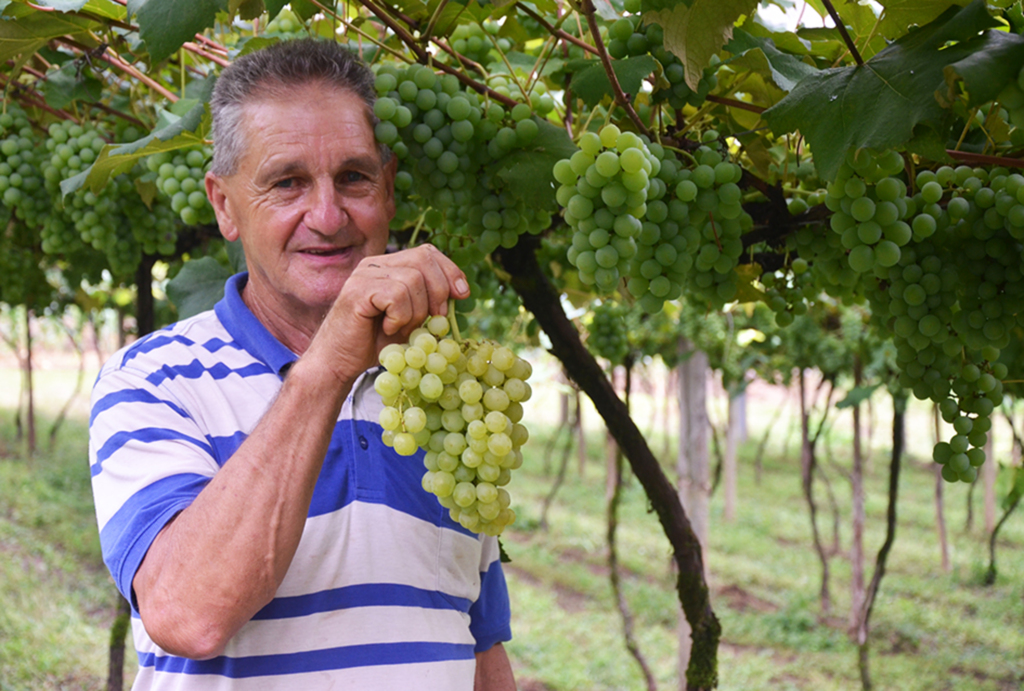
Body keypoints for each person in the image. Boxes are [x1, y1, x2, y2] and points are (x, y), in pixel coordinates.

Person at [88, 38, 515, 690]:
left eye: (354, 178)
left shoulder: (440, 398)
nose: (327, 214)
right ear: (224, 204)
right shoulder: (152, 380)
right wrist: (330, 364)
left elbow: (479, 650)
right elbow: (186, 613)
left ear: (389, 190)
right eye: (287, 182)